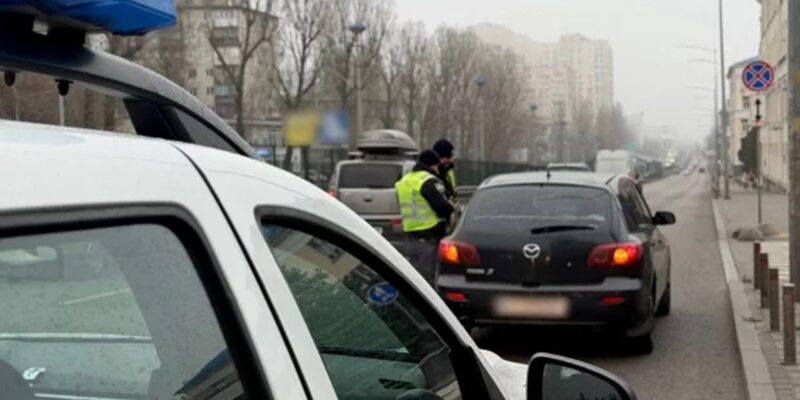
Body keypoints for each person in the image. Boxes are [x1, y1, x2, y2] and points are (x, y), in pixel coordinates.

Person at [395, 150, 454, 284]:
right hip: (429, 233)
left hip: (410, 232)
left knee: (415, 274)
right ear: (432, 165)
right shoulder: (428, 181)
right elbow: (442, 208)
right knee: (428, 276)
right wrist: (450, 207)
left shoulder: (404, 180)